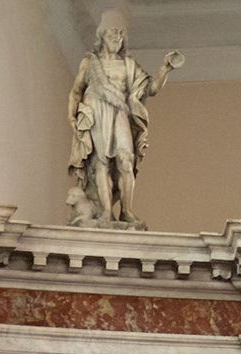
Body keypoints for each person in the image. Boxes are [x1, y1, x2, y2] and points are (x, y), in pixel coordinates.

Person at [67, 10, 183, 226]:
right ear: (102, 34)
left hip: (119, 111)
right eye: (113, 31)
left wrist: (165, 68)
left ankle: (126, 211)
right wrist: (72, 116)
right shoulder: (90, 62)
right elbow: (76, 91)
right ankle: (104, 211)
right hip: (96, 110)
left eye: (121, 33)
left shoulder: (129, 65)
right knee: (100, 163)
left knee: (125, 160)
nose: (117, 36)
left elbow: (151, 88)